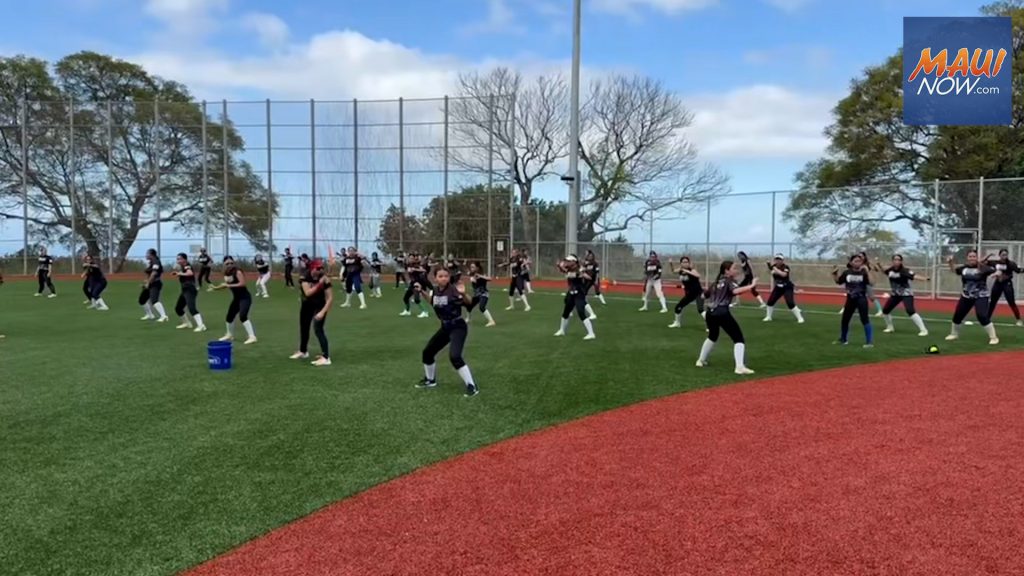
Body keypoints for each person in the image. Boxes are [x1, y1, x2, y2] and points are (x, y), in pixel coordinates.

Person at [416, 268, 479, 396]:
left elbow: (469, 303)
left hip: (457, 326)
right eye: (440, 276)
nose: (444, 278)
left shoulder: (453, 290)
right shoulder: (436, 291)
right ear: (435, 278)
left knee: (455, 356)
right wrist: (422, 291)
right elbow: (433, 302)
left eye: (446, 276)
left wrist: (463, 293)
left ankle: (472, 385)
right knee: (427, 352)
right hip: (445, 327)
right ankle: (430, 380)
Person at [695, 260, 755, 374]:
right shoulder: (728, 281)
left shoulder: (716, 282)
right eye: (734, 268)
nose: (736, 270)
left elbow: (703, 295)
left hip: (710, 313)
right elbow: (736, 291)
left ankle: (701, 360)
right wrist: (751, 286)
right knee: (738, 339)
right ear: (727, 271)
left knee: (712, 336)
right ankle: (739, 367)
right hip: (722, 313)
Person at [946, 251, 998, 345]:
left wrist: (996, 274)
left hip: (981, 295)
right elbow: (954, 270)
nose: (972, 258)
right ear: (967, 258)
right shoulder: (964, 268)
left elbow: (995, 270)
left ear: (976, 257)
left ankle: (993, 337)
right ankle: (954, 334)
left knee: (982, 316)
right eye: (970, 256)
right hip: (966, 295)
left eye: (974, 256)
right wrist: (950, 262)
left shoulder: (982, 267)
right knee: (958, 316)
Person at [292, 259, 333, 366]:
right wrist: (320, 283)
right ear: (312, 268)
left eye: (321, 268)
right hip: (306, 304)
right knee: (304, 328)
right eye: (317, 268)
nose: (320, 270)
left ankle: (326, 357)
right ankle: (303, 351)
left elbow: (330, 298)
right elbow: (308, 293)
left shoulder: (325, 278)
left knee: (318, 329)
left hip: (320, 305)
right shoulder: (305, 277)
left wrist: (323, 312)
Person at [880, 254, 929, 336]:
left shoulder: (904, 271)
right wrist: (879, 265)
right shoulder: (890, 270)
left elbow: (914, 276)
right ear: (892, 261)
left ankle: (923, 330)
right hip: (895, 294)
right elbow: (884, 271)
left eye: (898, 260)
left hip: (906, 293)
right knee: (885, 310)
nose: (896, 261)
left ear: (901, 261)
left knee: (910, 311)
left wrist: (925, 278)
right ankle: (890, 327)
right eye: (895, 259)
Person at [831, 254, 873, 347]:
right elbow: (838, 281)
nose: (858, 263)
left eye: (859, 261)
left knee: (864, 319)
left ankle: (869, 342)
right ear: (851, 263)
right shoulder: (847, 272)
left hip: (861, 298)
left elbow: (871, 282)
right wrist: (835, 274)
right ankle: (843, 339)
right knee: (845, 319)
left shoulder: (863, 273)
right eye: (855, 261)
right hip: (850, 299)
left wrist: (868, 271)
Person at [213, 256, 257, 344]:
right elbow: (226, 284)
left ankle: (252, 337)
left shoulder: (237, 271)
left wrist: (228, 286)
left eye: (231, 263)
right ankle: (229, 335)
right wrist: (216, 288)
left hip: (245, 297)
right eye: (227, 263)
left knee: (243, 316)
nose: (230, 265)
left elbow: (242, 283)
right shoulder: (226, 273)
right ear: (224, 264)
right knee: (229, 317)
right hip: (237, 298)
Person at [554, 254, 596, 340]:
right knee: (565, 312)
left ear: (574, 262)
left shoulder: (579, 269)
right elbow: (565, 271)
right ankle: (562, 330)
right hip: (571, 293)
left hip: (579, 293)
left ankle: (591, 333)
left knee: (581, 312)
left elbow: (588, 277)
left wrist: (582, 274)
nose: (567, 262)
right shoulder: (571, 269)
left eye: (569, 261)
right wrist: (559, 266)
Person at [762, 254, 804, 323]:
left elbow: (783, 275)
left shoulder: (785, 267)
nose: (778, 261)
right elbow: (770, 270)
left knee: (790, 303)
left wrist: (774, 268)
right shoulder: (773, 267)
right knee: (770, 302)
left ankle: (800, 318)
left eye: (779, 259)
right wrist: (769, 265)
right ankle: (768, 317)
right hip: (778, 287)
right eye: (776, 259)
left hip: (787, 287)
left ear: (782, 260)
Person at [171, 253, 207, 333]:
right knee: (178, 308)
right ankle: (187, 323)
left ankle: (201, 326)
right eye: (177, 259)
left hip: (190, 290)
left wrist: (180, 273)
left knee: (192, 308)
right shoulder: (182, 267)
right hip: (185, 290)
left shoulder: (187, 265)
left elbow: (190, 273)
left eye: (179, 259)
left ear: (184, 259)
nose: (178, 260)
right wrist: (178, 273)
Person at [668, 256, 706, 328]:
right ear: (681, 263)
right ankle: (677, 323)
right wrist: (671, 263)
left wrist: (688, 271)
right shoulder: (680, 270)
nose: (685, 263)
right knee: (678, 307)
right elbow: (673, 271)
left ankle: (711, 326)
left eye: (686, 262)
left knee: (700, 310)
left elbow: (698, 275)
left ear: (689, 263)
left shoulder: (692, 270)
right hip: (690, 294)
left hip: (698, 293)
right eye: (683, 262)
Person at [987, 249, 1022, 326]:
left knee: (1011, 302)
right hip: (998, 283)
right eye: (1003, 255)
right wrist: (988, 256)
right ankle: (987, 318)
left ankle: (1018, 319)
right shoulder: (995, 263)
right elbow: (984, 262)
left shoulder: (1011, 264)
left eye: (1006, 255)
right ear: (999, 255)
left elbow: (1018, 270)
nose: (1004, 256)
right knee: (992, 302)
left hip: (1007, 284)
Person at [139, 248, 169, 322]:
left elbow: (154, 273)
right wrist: (147, 281)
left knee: (154, 300)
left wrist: (148, 283)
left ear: (151, 254)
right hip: (151, 283)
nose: (146, 255)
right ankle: (150, 315)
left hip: (155, 284)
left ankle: (164, 316)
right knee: (142, 300)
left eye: (147, 253)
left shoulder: (156, 262)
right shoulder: (151, 262)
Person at [400, 253, 431, 318]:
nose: (410, 259)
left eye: (412, 258)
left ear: (414, 258)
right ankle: (407, 311)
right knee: (405, 298)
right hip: (412, 283)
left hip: (417, 283)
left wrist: (415, 269)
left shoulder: (416, 265)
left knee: (416, 299)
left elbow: (424, 270)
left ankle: (425, 312)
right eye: (410, 258)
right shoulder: (408, 265)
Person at [467, 261, 496, 327]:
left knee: (482, 307)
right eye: (471, 267)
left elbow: (490, 278)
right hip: (477, 295)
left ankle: (491, 321)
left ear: (477, 268)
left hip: (483, 294)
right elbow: (472, 278)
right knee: (469, 305)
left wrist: (480, 276)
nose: (471, 268)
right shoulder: (472, 274)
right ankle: (468, 319)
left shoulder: (481, 274)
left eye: (473, 267)